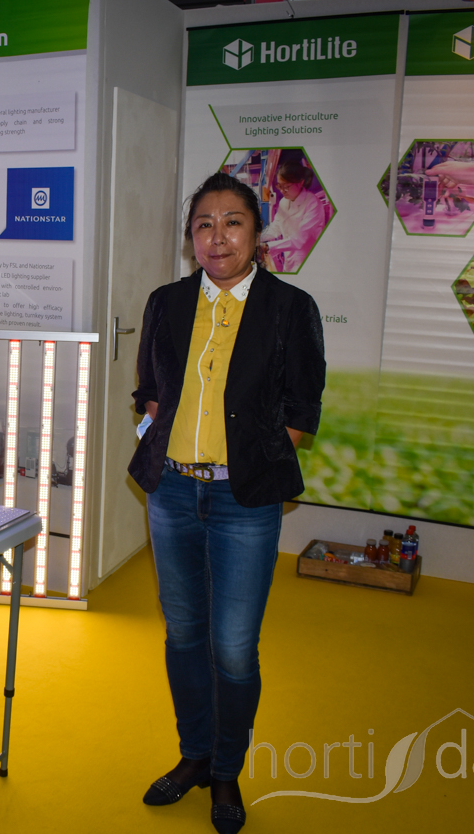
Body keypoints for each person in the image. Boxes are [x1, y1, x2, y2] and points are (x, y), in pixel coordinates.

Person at [129, 171, 326, 834]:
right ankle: (194, 756)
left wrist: (254, 460)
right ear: (191, 238)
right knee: (184, 634)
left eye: (232, 222)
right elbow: (150, 390)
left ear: (257, 233)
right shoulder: (167, 302)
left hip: (245, 500)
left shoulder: (291, 308)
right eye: (204, 225)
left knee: (234, 647)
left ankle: (225, 770)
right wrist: (160, 435)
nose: (218, 237)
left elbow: (302, 408)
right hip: (171, 492)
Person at [258, 162, 326, 272]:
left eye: (286, 186)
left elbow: (299, 239)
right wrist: (256, 237)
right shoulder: (284, 202)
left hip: (308, 261)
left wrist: (267, 246)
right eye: (279, 186)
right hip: (289, 260)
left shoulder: (312, 203)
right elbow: (276, 228)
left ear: (300, 182)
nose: (282, 190)